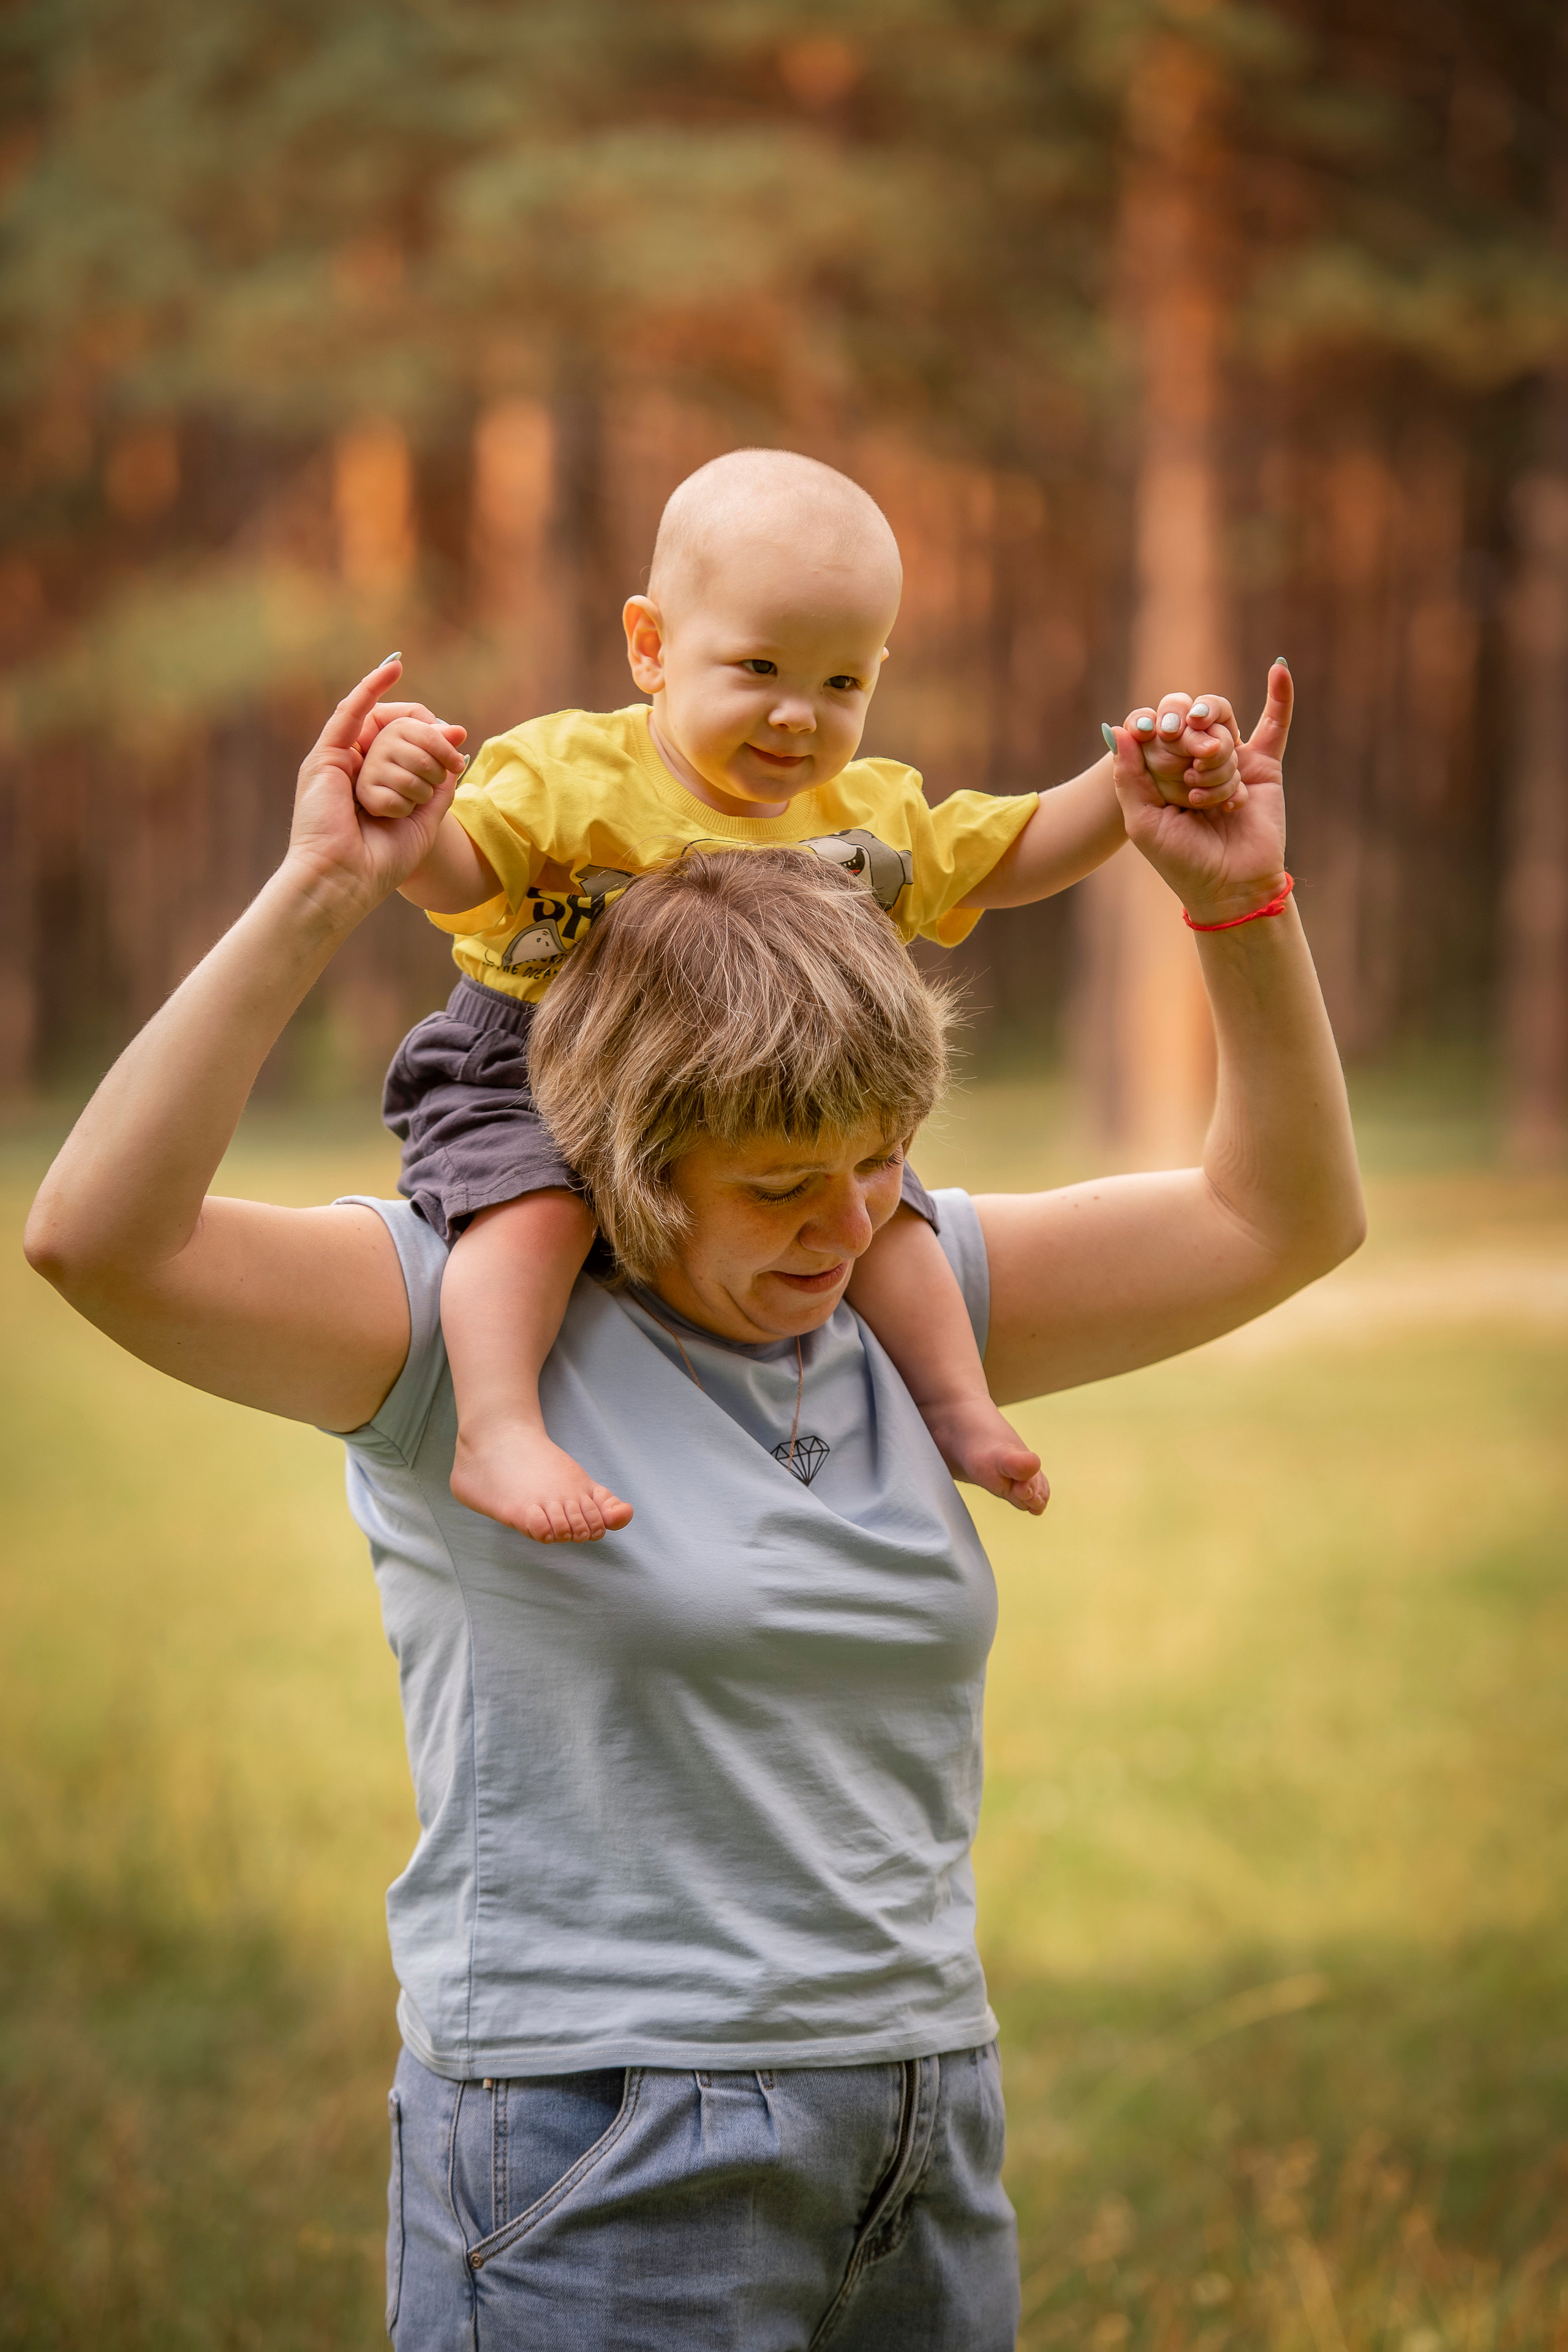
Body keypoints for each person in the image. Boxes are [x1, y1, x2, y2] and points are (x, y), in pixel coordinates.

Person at [23, 654, 1362, 2351]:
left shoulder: (902, 1289)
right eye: (782, 1185)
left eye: (879, 1164)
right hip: (601, 2138)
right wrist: (320, 894)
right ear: (626, 1157)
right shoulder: (448, 1323)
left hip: (919, 2115)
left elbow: (1279, 1221)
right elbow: (98, 1241)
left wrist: (1238, 904)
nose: (845, 1225)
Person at [353, 448, 1248, 1545]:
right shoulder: (569, 774)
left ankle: (955, 1404)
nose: (797, 717)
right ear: (652, 646)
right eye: (760, 668)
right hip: (532, 1066)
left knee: (883, 1217)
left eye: (840, 685)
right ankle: (497, 1430)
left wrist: (1127, 786)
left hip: (762, 1105)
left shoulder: (864, 821)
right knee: (531, 1209)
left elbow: (1007, 855)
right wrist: (412, 814)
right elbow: (468, 875)